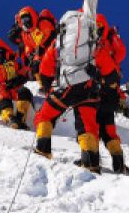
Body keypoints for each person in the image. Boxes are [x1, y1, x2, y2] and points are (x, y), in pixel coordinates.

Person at [32, 9, 113, 173]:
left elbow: (45, 69)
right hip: (89, 91)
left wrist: (48, 88)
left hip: (66, 87)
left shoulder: (60, 43)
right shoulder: (95, 45)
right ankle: (91, 163)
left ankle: (43, 150)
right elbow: (111, 74)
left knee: (45, 115)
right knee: (88, 126)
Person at [75, 13, 129, 173]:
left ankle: (90, 161)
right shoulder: (108, 45)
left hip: (96, 91)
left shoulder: (94, 48)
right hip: (111, 92)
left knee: (88, 126)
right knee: (109, 130)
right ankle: (119, 165)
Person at [7, 6, 57, 73]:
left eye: (26, 19)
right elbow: (28, 45)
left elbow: (50, 34)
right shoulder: (27, 35)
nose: (25, 22)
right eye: (23, 21)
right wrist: (29, 54)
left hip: (55, 49)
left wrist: (40, 49)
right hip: (45, 55)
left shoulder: (42, 23)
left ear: (32, 16)